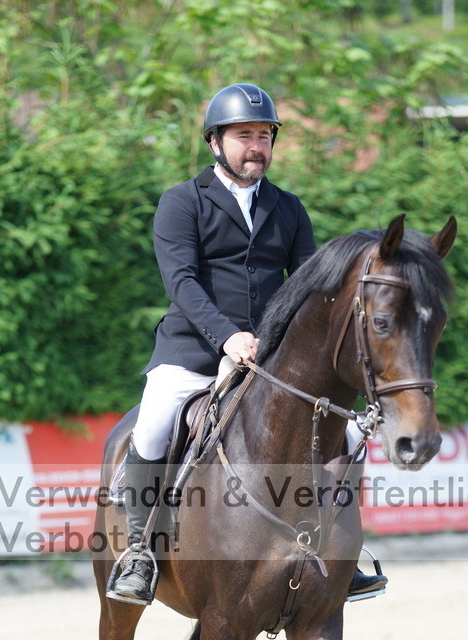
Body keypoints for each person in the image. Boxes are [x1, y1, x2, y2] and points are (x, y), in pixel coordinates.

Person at [111, 82, 387, 603]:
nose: (256, 145)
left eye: (264, 135)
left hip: (271, 357)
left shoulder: (288, 208)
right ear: (216, 142)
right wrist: (228, 337)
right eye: (244, 135)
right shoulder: (181, 202)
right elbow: (183, 283)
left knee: (347, 437)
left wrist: (285, 343)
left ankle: (338, 552)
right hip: (192, 350)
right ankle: (140, 553)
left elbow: (307, 284)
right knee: (151, 427)